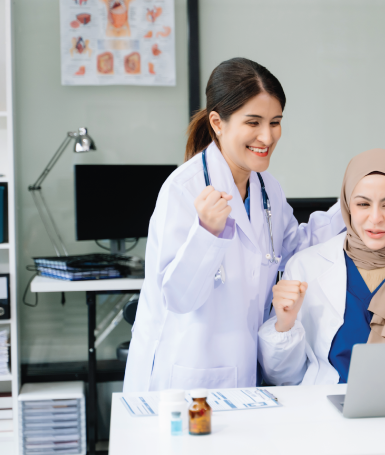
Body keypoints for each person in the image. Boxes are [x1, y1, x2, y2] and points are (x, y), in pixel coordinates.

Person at [123, 58, 344, 392]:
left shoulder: (266, 188)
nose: (267, 136)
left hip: (243, 371)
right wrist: (207, 234)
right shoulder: (184, 189)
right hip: (186, 374)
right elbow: (178, 297)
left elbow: (294, 247)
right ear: (218, 122)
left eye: (275, 122)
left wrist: (355, 204)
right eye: (253, 122)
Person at [258, 149, 385, 386]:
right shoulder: (306, 266)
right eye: (363, 204)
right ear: (347, 206)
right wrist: (284, 325)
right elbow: (282, 379)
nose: (375, 218)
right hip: (324, 412)